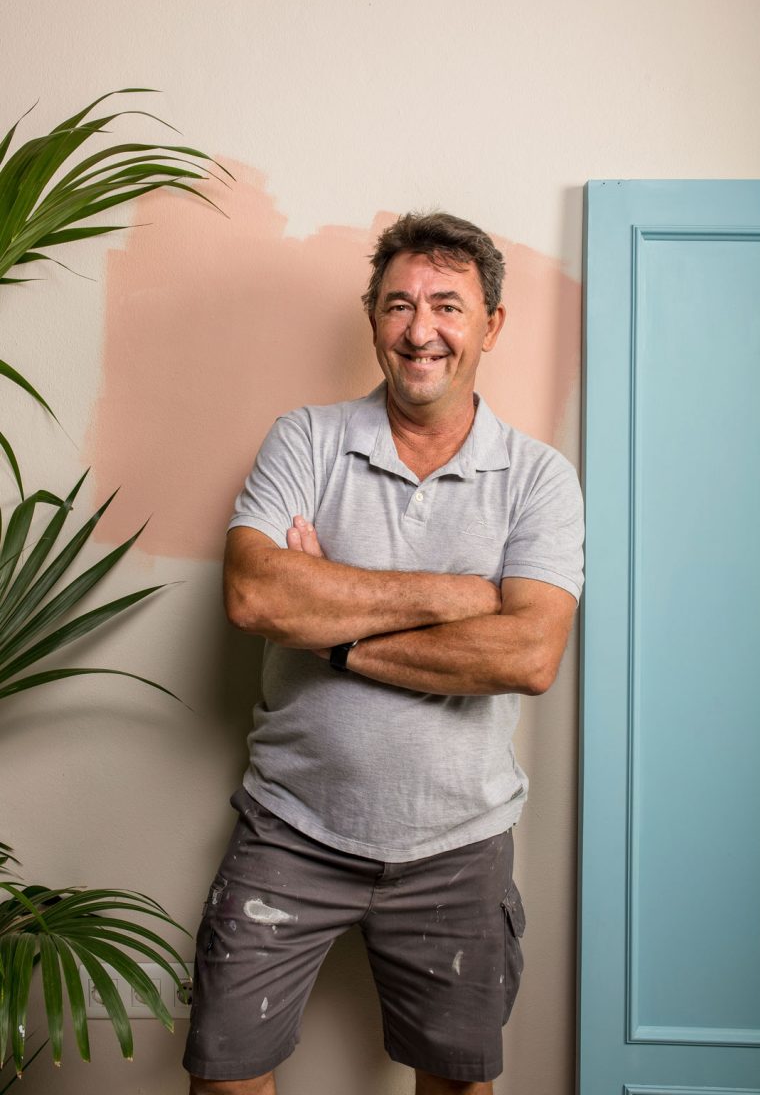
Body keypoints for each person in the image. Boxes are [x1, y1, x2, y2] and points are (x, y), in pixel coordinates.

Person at [184, 212, 584, 1095]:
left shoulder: (540, 478)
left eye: (447, 306)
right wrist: (458, 595)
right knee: (224, 1075)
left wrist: (332, 631)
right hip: (291, 826)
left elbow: (528, 654)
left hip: (459, 843)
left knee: (456, 1084)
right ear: (372, 318)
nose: (420, 329)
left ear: (491, 325)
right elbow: (254, 595)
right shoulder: (306, 439)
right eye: (398, 304)